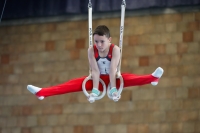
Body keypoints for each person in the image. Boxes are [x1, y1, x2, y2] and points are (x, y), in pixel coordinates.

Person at [27, 25, 164, 102]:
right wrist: (94, 90)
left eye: (102, 41)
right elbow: (95, 71)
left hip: (112, 78)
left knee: (129, 78)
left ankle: (153, 78)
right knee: (72, 84)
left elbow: (112, 70)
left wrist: (113, 90)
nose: (98, 45)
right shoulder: (91, 50)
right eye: (96, 41)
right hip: (96, 79)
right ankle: (42, 92)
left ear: (109, 40)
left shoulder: (115, 49)